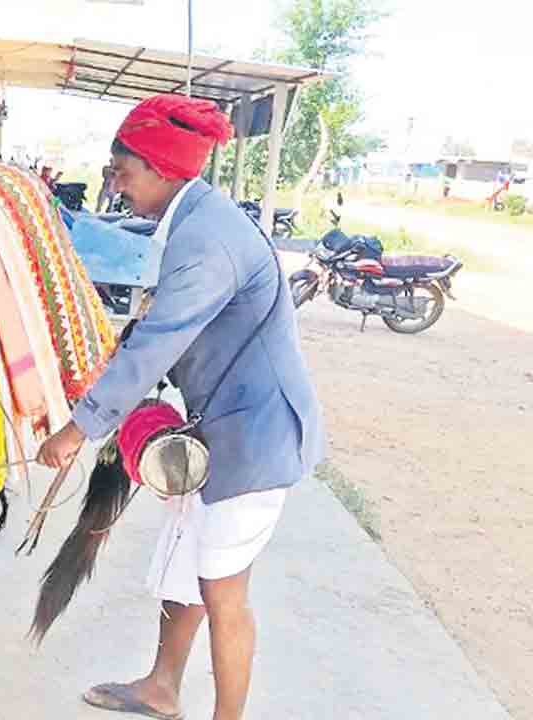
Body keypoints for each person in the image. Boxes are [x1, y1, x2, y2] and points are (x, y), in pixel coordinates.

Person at [36, 94, 324, 720]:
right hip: (219, 429)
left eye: (123, 171)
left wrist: (78, 428)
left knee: (223, 591)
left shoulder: (205, 242)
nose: (115, 184)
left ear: (162, 169)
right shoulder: (195, 220)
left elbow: (157, 343)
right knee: (185, 567)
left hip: (256, 438)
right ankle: (162, 687)